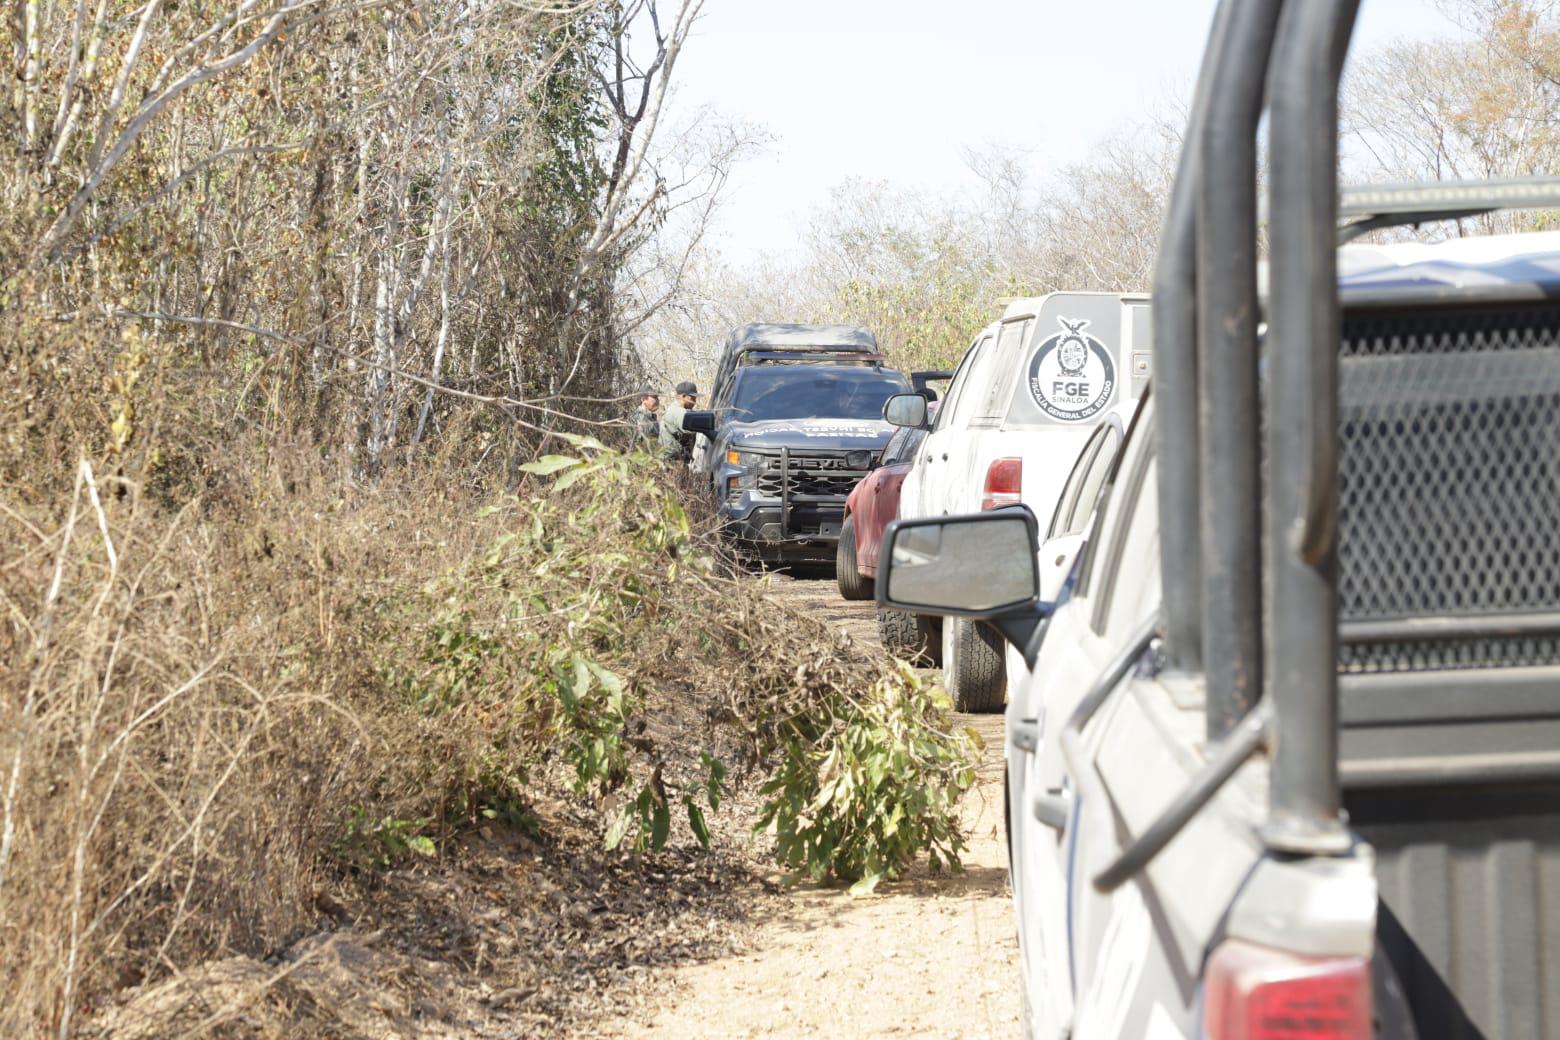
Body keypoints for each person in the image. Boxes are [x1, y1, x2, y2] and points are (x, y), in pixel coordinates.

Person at [658, 380, 699, 463]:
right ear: (683, 396)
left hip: (669, 460)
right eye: (693, 398)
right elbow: (691, 428)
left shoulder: (674, 408)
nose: (695, 402)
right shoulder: (679, 412)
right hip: (671, 462)